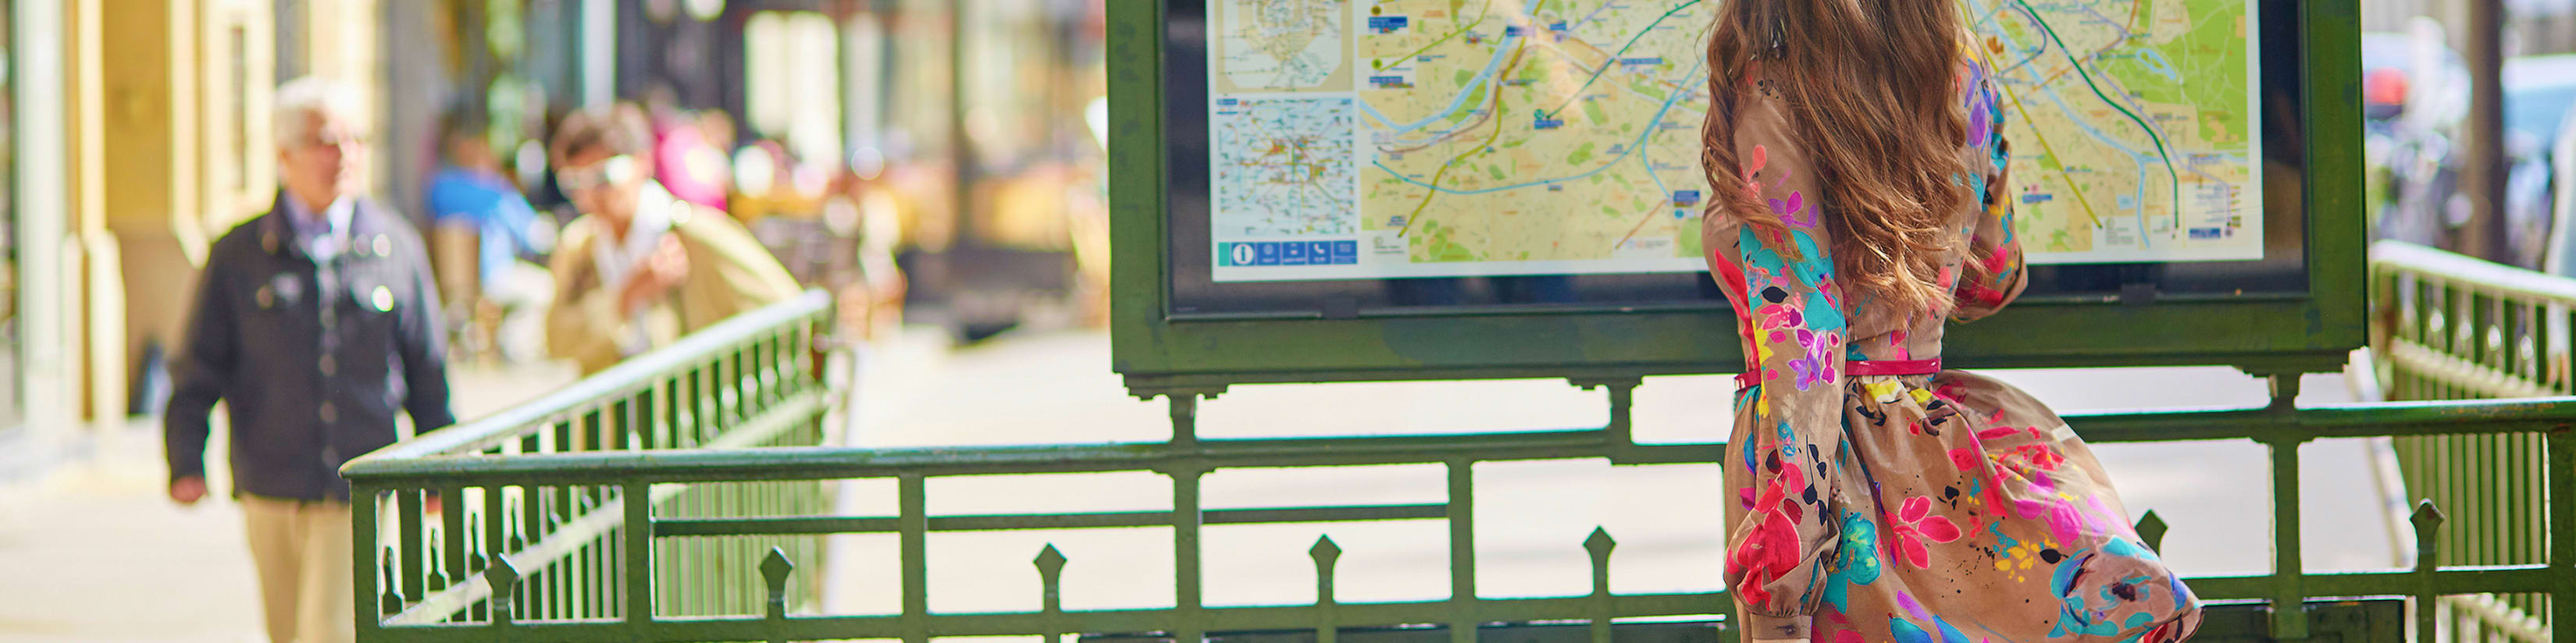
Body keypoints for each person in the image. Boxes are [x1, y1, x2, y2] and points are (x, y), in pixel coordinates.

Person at [1698, 3, 2202, 642]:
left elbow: (1805, 330)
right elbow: (1992, 275)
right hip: (1928, 444)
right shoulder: (1962, 78)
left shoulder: (1770, 89)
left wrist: (1782, 572)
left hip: (1825, 466)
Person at [165, 76, 454, 643]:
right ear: (284, 155)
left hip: (359, 485)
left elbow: (428, 368)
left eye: (355, 141)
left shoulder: (395, 246)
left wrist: (439, 468)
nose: (344, 157)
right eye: (326, 142)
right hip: (269, 484)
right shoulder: (238, 253)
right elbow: (199, 363)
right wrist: (185, 459)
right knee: (287, 631)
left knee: (330, 632)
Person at [544, 107, 801, 374]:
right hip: (614, 410)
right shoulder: (578, 246)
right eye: (573, 182)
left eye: (603, 177)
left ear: (642, 164)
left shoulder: (696, 232)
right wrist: (625, 297)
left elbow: (788, 311)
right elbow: (556, 342)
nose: (588, 195)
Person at [425, 107, 555, 362]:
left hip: (452, 282)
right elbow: (535, 236)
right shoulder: (495, 192)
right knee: (547, 289)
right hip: (494, 275)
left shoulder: (438, 187)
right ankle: (515, 347)